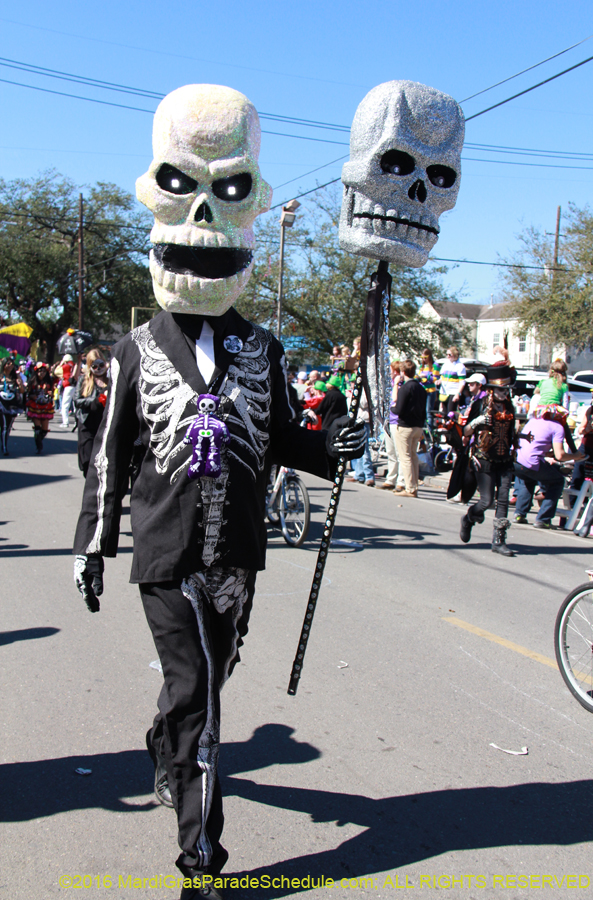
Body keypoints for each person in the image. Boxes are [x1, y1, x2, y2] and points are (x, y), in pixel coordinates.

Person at [72, 80, 367, 900]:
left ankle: (164, 742)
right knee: (204, 697)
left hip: (237, 551)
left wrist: (332, 447)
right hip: (165, 553)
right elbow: (109, 454)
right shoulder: (134, 351)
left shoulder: (263, 349)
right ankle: (203, 860)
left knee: (208, 677)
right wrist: (92, 547)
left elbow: (281, 437)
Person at [459, 365, 518, 556]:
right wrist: (478, 422)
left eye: (506, 390)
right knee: (486, 501)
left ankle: (499, 541)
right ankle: (469, 518)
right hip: (484, 459)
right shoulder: (480, 405)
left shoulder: (509, 407)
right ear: (492, 389)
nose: (504, 393)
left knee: (503, 499)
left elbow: (511, 433)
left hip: (504, 460)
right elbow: (466, 432)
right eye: (501, 389)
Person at [513, 404, 585, 528]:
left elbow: (533, 446)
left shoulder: (532, 421)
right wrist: (575, 456)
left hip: (516, 461)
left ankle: (519, 514)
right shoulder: (557, 427)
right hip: (531, 462)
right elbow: (560, 455)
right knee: (557, 481)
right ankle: (543, 519)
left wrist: (549, 453)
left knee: (528, 479)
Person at [392, 359, 426, 498]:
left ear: (402, 372)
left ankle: (410, 488)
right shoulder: (421, 388)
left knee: (405, 458)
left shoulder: (405, 388)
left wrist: (392, 408)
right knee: (413, 456)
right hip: (418, 425)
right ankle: (414, 486)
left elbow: (399, 409)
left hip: (405, 425)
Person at [73, 350, 110, 477]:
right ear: (89, 366)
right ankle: (90, 481)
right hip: (87, 423)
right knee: (87, 459)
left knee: (103, 459)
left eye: (101, 364)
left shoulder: (110, 380)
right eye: (94, 365)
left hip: (104, 424)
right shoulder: (84, 380)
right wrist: (96, 401)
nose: (98, 368)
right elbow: (77, 401)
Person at [376, 361, 404, 491]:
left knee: (399, 453)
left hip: (398, 422)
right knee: (391, 452)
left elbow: (395, 399)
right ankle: (391, 479)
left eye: (390, 370)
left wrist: (397, 384)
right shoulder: (389, 384)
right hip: (388, 421)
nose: (388, 373)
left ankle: (401, 481)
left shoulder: (401, 386)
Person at [569, 384, 593, 493]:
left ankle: (590, 500)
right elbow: (580, 430)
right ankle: (573, 499)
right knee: (578, 475)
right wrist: (588, 429)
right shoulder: (591, 410)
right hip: (587, 446)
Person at [26, 361, 55, 453]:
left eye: (43, 371)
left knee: (44, 430)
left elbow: (52, 394)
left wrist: (51, 394)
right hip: (35, 406)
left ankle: (39, 440)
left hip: (46, 406)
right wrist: (32, 396)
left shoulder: (49, 382)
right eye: (39, 371)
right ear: (36, 372)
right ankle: (39, 446)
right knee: (37, 428)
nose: (42, 373)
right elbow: (27, 394)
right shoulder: (32, 381)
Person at [0, 357, 25, 455]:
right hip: (1, 403)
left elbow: (22, 391)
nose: (10, 365)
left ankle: (4, 444)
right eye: (8, 363)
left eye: (12, 364)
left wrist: (20, 384)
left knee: (8, 426)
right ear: (4, 365)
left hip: (12, 404)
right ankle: (4, 447)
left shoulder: (16, 376)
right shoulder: (0, 376)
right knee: (4, 425)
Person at [437, 346, 466, 416]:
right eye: (447, 354)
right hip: (444, 392)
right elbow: (442, 377)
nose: (448, 356)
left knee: (450, 413)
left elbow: (462, 382)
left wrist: (458, 394)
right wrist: (439, 381)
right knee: (443, 414)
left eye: (450, 354)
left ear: (455, 355)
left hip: (453, 392)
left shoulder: (460, 366)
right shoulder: (445, 364)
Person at [417, 348, 439, 431]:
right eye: (422, 357)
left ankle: (429, 430)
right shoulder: (422, 366)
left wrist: (427, 377)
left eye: (425, 357)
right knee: (421, 410)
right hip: (422, 390)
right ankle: (421, 430)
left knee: (428, 411)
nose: (423, 359)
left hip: (430, 391)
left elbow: (436, 378)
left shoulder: (435, 365)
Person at [56, 353, 79, 427]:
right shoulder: (74, 365)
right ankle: (77, 422)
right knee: (75, 405)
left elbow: (56, 372)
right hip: (76, 386)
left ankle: (65, 422)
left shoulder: (66, 366)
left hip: (68, 386)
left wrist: (61, 363)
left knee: (65, 405)